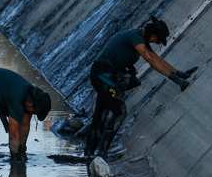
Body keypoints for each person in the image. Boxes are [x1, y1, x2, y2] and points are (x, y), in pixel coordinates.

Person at [83, 16, 195, 161]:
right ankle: (101, 153)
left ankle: (89, 153)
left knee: (100, 114)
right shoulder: (135, 38)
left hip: (106, 77)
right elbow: (150, 60)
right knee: (119, 111)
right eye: (157, 39)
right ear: (152, 34)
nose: (156, 42)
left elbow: (157, 59)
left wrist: (179, 74)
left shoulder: (140, 38)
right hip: (103, 76)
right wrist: (176, 80)